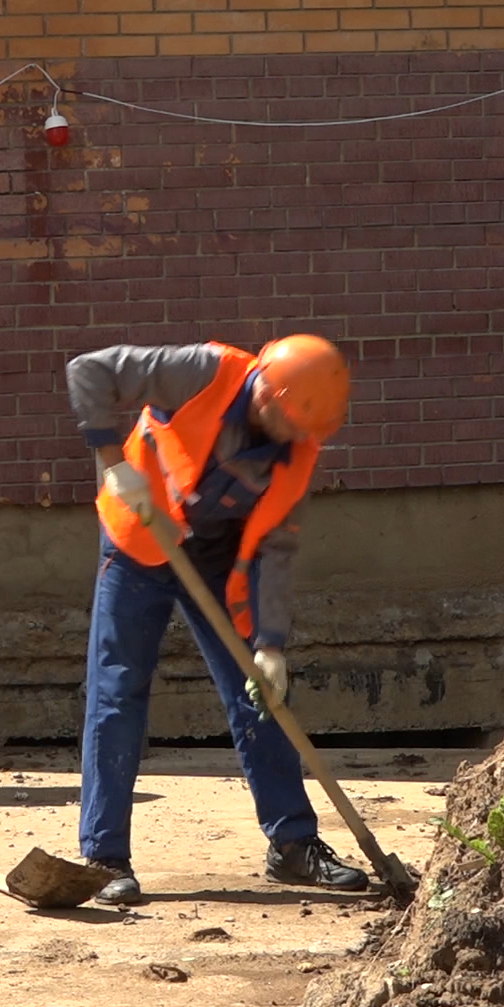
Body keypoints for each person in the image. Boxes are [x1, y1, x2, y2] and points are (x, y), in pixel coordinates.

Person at [65, 334, 368, 903]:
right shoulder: (202, 371)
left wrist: (272, 645)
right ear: (268, 398)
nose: (301, 440)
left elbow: (278, 549)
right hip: (139, 543)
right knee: (117, 694)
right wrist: (111, 462)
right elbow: (89, 370)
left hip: (216, 566)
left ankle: (293, 845)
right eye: (294, 425)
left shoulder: (299, 449)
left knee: (258, 695)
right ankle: (105, 856)